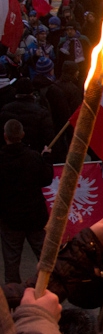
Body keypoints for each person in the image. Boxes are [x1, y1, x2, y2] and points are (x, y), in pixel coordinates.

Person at [0, 120, 54, 284]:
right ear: (22, 135)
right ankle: (48, 287)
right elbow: (46, 179)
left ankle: (13, 296)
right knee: (44, 256)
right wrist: (46, 159)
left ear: (5, 136)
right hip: (34, 216)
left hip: (9, 218)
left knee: (11, 261)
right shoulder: (33, 157)